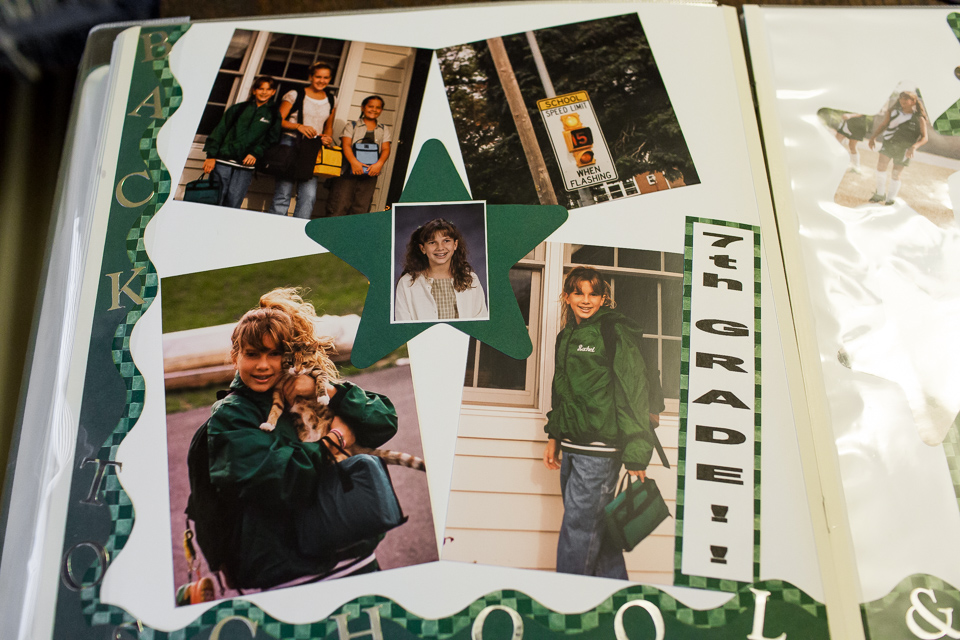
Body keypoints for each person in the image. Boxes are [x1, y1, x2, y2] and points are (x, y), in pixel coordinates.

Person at [201, 299, 398, 589]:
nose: (264, 365)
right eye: (252, 354)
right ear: (235, 357)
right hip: (291, 574)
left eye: (274, 354)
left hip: (354, 555)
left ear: (289, 356)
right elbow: (274, 479)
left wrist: (333, 391)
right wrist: (336, 440)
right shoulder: (232, 414)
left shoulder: (307, 386)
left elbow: (384, 420)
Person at [541, 267, 655, 578]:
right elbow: (561, 388)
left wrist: (636, 453)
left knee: (577, 533)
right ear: (567, 296)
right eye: (579, 292)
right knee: (598, 536)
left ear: (603, 298)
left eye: (594, 294)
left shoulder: (612, 332)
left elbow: (633, 392)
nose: (586, 300)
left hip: (600, 453)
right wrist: (554, 436)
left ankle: (566, 601)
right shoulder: (566, 336)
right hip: (573, 446)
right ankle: (618, 598)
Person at [201, 76, 280, 208]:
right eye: (260, 88)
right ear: (254, 90)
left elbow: (272, 139)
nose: (264, 92)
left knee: (233, 202)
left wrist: (255, 153)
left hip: (245, 166)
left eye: (268, 89)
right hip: (223, 162)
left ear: (273, 92)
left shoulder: (273, 115)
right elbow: (219, 131)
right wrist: (211, 156)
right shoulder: (238, 109)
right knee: (215, 200)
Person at [270, 62, 337, 219]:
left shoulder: (331, 99)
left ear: (330, 78)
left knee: (309, 195)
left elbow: (328, 125)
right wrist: (298, 126)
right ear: (311, 77)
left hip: (312, 148)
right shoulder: (295, 94)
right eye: (318, 77)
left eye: (326, 77)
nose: (322, 81)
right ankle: (275, 227)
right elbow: (278, 120)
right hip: (290, 143)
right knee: (283, 193)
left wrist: (328, 137)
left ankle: (299, 231)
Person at [395, 218, 487, 321]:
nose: (440, 247)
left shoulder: (471, 279)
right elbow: (403, 327)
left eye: (446, 241)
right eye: (432, 242)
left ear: (455, 245)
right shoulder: (406, 283)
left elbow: (481, 322)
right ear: (423, 248)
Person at [325, 95, 392, 216]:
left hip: (370, 173)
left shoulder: (383, 129)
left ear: (381, 110)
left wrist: (379, 164)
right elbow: (346, 145)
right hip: (348, 172)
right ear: (363, 108)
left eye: (378, 107)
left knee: (361, 207)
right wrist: (354, 162)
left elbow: (386, 149)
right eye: (370, 106)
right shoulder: (352, 126)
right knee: (339, 204)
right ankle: (331, 233)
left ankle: (353, 234)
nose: (374, 110)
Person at [868, 90, 928, 206]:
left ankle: (890, 199)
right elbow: (884, 125)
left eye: (906, 98)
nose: (902, 101)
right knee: (881, 167)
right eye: (901, 98)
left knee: (896, 173)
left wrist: (914, 147)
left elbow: (925, 137)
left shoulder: (919, 118)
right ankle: (880, 193)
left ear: (913, 101)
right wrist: (873, 137)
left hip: (904, 149)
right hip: (889, 143)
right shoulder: (893, 112)